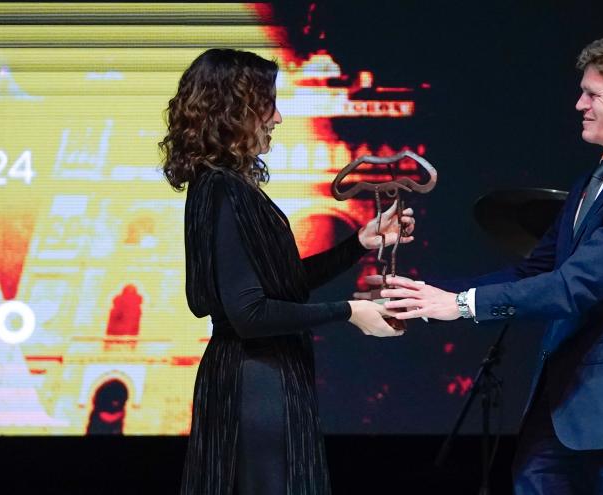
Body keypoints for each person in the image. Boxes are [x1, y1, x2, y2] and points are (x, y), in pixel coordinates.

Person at [375, 31, 603, 494]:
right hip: (556, 411)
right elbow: (534, 270)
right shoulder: (592, 180)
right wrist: (429, 297)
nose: (579, 104)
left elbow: (570, 288)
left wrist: (461, 305)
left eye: (592, 94)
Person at [160, 48, 414, 494]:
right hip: (257, 383)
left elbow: (280, 283)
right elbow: (250, 313)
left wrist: (359, 243)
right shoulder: (223, 191)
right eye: (268, 105)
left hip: (257, 376)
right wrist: (349, 311)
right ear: (236, 111)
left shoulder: (223, 187)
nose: (276, 118)